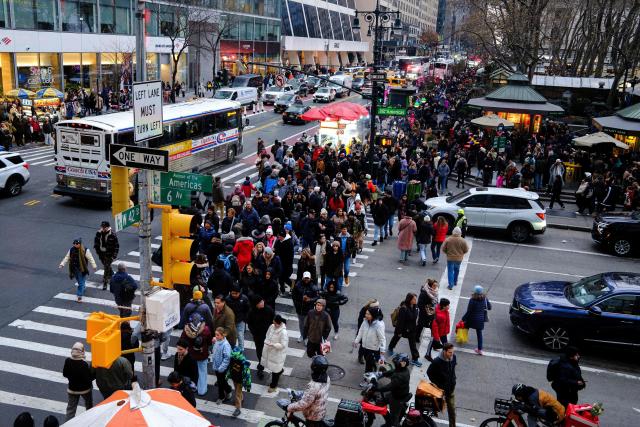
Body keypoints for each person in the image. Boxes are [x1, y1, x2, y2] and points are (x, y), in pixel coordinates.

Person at [287, 355, 331, 427]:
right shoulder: (326, 378)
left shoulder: (314, 386)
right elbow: (315, 395)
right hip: (320, 411)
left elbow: (303, 404)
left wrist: (290, 407)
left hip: (313, 417)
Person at [374, 353, 411, 427]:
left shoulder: (401, 376)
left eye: (397, 364)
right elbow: (393, 371)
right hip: (394, 394)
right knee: (379, 404)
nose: (395, 365)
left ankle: (392, 423)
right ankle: (388, 422)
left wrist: (377, 389)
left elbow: (389, 386)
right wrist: (381, 374)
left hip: (397, 398)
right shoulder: (402, 369)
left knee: (395, 421)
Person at [180, 313, 213, 396]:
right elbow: (209, 342)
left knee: (192, 372)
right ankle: (202, 390)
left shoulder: (186, 330)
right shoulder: (206, 330)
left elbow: (181, 342)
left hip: (191, 355)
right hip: (202, 354)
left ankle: (193, 387)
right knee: (202, 372)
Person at [427, 343, 457, 427]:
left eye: (452, 352)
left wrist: (453, 379)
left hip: (450, 389)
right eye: (450, 352)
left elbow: (453, 369)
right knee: (434, 406)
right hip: (440, 389)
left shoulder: (453, 357)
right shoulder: (437, 361)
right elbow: (429, 373)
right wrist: (438, 384)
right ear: (444, 351)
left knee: (452, 409)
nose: (452, 354)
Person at [388, 292, 421, 367]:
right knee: (396, 337)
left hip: (411, 329)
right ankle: (390, 348)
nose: (416, 300)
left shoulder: (415, 306)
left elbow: (414, 317)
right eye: (414, 299)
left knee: (413, 345)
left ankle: (415, 359)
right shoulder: (404, 308)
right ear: (410, 300)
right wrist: (399, 331)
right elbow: (400, 321)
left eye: (416, 299)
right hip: (403, 329)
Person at [59, 238, 97, 302]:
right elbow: (67, 257)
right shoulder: (71, 250)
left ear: (80, 244)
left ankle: (79, 296)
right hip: (74, 268)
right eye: (74, 243)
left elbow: (90, 258)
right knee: (79, 279)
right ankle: (83, 287)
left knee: (80, 282)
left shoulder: (85, 250)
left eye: (76, 244)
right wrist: (62, 264)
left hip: (81, 269)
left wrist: (94, 266)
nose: (75, 245)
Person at [62, 342, 93, 421]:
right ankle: (90, 421)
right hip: (85, 390)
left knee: (71, 410)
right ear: (82, 351)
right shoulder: (84, 363)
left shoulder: (68, 361)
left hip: (72, 389)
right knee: (89, 407)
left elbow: (65, 374)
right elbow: (88, 380)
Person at [247, 294, 274, 379]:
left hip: (269, 335)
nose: (262, 303)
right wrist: (254, 332)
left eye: (262, 301)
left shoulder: (269, 309)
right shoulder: (251, 312)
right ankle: (261, 367)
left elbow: (274, 321)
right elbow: (250, 323)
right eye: (260, 302)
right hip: (258, 336)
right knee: (259, 351)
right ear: (256, 304)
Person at [353, 306, 386, 375]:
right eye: (366, 313)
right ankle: (376, 370)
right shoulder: (365, 321)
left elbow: (382, 339)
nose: (366, 315)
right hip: (365, 347)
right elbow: (361, 331)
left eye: (368, 314)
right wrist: (356, 341)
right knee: (370, 362)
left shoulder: (379, 325)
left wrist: (382, 351)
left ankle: (368, 380)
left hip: (373, 349)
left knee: (368, 366)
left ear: (373, 315)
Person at [262, 314, 289, 392]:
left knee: (275, 370)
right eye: (274, 323)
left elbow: (283, 345)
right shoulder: (271, 326)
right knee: (274, 368)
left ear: (279, 323)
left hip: (278, 353)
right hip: (270, 350)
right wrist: (267, 342)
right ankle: (280, 371)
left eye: (276, 323)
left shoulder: (283, 332)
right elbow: (267, 335)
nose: (274, 325)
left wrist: (273, 345)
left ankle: (273, 386)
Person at [461, 285, 491, 355]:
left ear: (474, 292)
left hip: (471, 318)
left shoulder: (472, 300)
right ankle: (479, 349)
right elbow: (489, 307)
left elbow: (469, 311)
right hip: (480, 320)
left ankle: (462, 339)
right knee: (479, 334)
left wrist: (463, 318)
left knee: (466, 327)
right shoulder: (485, 299)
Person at [292, 271, 320, 342]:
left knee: (307, 324)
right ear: (302, 278)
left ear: (310, 278)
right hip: (299, 308)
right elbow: (294, 295)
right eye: (305, 278)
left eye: (308, 278)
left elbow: (317, 297)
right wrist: (296, 304)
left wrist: (309, 299)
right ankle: (302, 335)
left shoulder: (313, 287)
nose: (306, 280)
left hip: (308, 309)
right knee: (301, 323)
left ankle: (306, 337)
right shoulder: (298, 285)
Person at [226, 347, 252, 417]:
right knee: (238, 392)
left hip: (240, 380)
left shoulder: (243, 361)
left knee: (237, 393)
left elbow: (247, 374)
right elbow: (230, 368)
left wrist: (248, 384)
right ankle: (241, 399)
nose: (234, 357)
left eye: (235, 356)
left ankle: (238, 408)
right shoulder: (232, 358)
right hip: (234, 378)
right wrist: (227, 376)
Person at [93, 221, 119, 290]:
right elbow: (96, 242)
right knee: (106, 266)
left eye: (104, 227)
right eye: (102, 227)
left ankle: (105, 282)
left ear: (108, 227)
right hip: (101, 253)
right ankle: (113, 275)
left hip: (109, 254)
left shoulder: (112, 234)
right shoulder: (99, 233)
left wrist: (114, 256)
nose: (102, 228)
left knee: (106, 267)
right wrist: (97, 251)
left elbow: (116, 246)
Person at [211, 327, 232, 404]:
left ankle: (221, 397)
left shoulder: (226, 345)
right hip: (217, 366)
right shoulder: (217, 341)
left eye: (218, 335)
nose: (216, 336)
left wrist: (221, 368)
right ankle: (228, 390)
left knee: (220, 382)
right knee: (222, 381)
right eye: (215, 334)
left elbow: (227, 358)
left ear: (223, 335)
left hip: (222, 368)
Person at [416, 279, 439, 343]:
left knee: (432, 325)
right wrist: (426, 312)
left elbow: (436, 301)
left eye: (436, 285)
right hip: (424, 312)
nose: (436, 287)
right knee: (420, 325)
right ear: (430, 286)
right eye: (434, 285)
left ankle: (435, 340)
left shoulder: (434, 291)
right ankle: (416, 337)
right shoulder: (424, 293)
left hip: (431, 310)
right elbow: (420, 304)